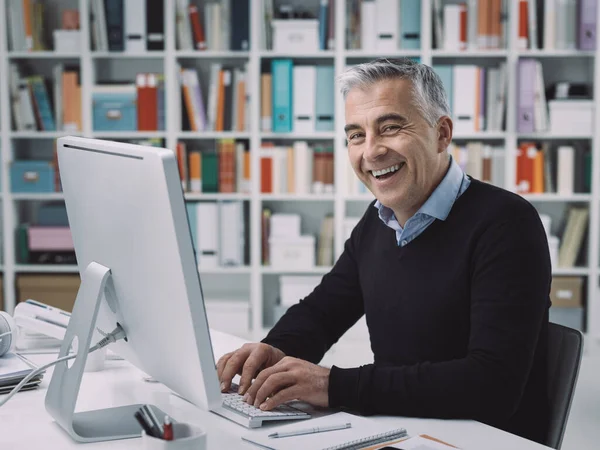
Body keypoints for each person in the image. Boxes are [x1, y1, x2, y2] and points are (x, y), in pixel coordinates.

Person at [217, 58, 551, 444]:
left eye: (390, 128)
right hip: (400, 430)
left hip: (481, 439)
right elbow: (322, 311)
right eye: (356, 135)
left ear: (441, 134)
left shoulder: (506, 223)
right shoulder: (380, 220)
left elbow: (492, 385)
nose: (371, 151)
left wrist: (334, 385)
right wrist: (274, 351)